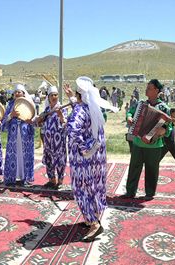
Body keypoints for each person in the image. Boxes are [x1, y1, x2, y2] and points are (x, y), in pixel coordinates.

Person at [64, 76, 118, 242]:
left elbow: (72, 129)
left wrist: (83, 146)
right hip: (96, 159)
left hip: (83, 160)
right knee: (92, 186)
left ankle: (94, 224)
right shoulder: (92, 108)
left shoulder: (80, 110)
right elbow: (80, 109)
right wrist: (72, 97)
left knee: (81, 188)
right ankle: (91, 217)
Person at [121, 79, 172, 201]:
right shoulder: (141, 104)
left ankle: (150, 193)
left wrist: (162, 131)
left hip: (154, 146)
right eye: (147, 87)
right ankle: (130, 192)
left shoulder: (164, 108)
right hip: (138, 143)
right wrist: (129, 117)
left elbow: (168, 128)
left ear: (157, 90)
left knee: (152, 170)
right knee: (134, 168)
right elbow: (130, 112)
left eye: (149, 88)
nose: (146, 90)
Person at [1, 84, 35, 187]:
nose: (17, 94)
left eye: (19, 92)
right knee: (13, 155)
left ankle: (25, 178)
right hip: (13, 135)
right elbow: (4, 120)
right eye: (15, 92)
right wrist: (11, 115)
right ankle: (11, 178)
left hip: (25, 134)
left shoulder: (29, 104)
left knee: (25, 155)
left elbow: (34, 118)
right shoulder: (10, 105)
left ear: (23, 93)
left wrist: (31, 121)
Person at [36, 86, 67, 190]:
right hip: (48, 140)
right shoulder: (47, 110)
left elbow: (65, 124)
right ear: (48, 97)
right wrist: (39, 119)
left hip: (59, 141)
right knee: (49, 160)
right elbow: (40, 123)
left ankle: (60, 181)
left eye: (56, 95)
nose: (54, 97)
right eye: (52, 95)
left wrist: (60, 115)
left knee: (60, 160)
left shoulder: (63, 108)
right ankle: (52, 180)